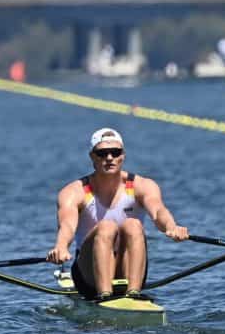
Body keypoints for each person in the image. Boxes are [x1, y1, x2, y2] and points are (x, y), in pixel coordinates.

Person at [46, 128, 188, 300]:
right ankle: (104, 295)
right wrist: (61, 246)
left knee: (133, 224)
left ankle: (134, 293)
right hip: (88, 274)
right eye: (102, 153)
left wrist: (171, 227)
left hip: (127, 267)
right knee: (107, 226)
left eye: (115, 152)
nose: (109, 158)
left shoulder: (142, 185)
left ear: (123, 155)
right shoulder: (74, 192)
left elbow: (158, 211)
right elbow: (67, 225)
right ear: (92, 156)